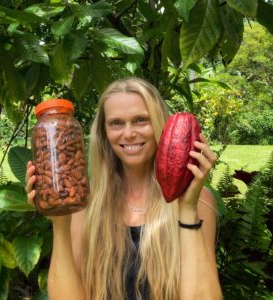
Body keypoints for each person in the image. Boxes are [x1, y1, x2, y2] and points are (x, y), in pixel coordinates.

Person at [25, 77, 223, 300]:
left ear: (161, 124)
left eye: (140, 120)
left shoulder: (197, 201)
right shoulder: (84, 204)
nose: (128, 133)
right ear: (104, 133)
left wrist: (187, 209)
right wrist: (60, 221)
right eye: (116, 123)